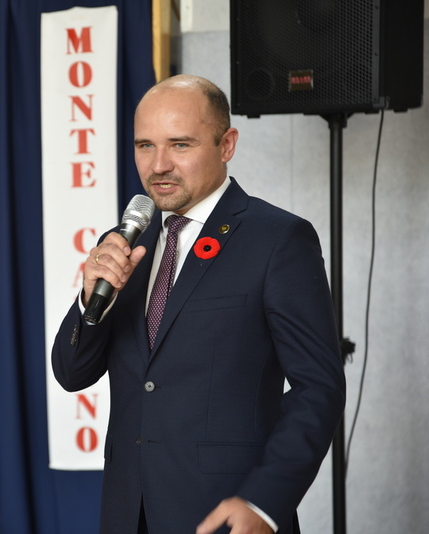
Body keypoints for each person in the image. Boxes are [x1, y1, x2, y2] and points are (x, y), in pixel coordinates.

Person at [51, 74, 346, 534]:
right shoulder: (126, 243)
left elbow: (319, 388)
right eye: (145, 145)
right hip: (128, 513)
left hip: (227, 515)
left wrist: (266, 500)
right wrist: (92, 298)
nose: (159, 165)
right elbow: (73, 375)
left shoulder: (278, 239)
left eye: (180, 145)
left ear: (226, 145)